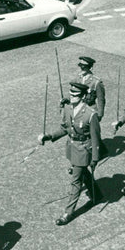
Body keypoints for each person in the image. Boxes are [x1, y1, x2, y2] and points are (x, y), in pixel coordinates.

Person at [38, 82, 101, 226]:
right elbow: (64, 128)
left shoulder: (90, 115)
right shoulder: (67, 109)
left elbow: (96, 137)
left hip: (83, 150)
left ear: (83, 96)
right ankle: (97, 194)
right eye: (71, 94)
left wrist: (95, 158)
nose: (72, 97)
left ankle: (68, 212)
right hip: (71, 148)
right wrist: (48, 136)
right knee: (82, 173)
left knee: (75, 181)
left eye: (76, 95)